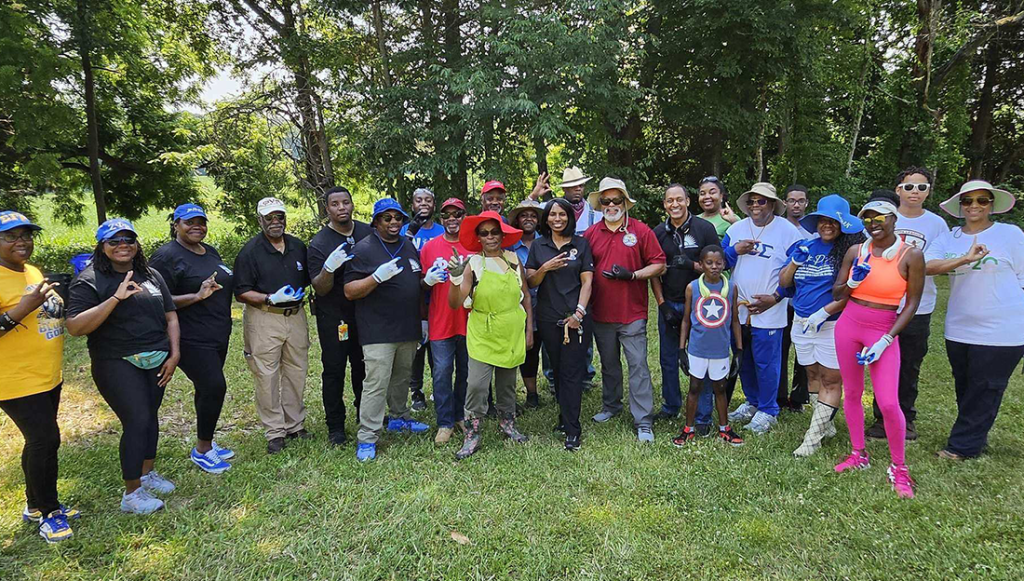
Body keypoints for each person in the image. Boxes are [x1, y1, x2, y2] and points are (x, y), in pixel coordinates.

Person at [67, 219, 180, 514]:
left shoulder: (151, 275)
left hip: (156, 359)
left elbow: (170, 315)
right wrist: (116, 297)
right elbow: (76, 327)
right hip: (115, 360)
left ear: (137, 244)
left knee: (150, 417)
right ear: (102, 247)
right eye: (114, 241)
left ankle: (146, 474)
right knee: (137, 420)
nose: (122, 246)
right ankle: (131, 494)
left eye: (128, 240)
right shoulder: (90, 280)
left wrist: (175, 354)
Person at [832, 190, 924, 499]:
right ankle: (859, 453)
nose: (874, 223)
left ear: (894, 219)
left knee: (887, 401)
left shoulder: (910, 255)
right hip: (849, 325)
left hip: (883, 329)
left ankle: (899, 467)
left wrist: (887, 339)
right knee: (853, 393)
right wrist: (853, 282)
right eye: (868, 219)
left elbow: (911, 304)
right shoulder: (856, 251)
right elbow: (837, 294)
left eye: (880, 217)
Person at [926, 180, 1024, 460]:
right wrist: (962, 259)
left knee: (986, 387)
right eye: (968, 201)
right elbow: (927, 266)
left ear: (991, 205)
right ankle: (975, 436)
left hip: (1004, 328)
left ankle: (962, 447)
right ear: (960, 206)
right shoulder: (949, 238)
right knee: (967, 386)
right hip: (959, 327)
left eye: (982, 200)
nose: (974, 206)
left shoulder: (1010, 235)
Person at [0, 211, 77, 542]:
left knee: (39, 440)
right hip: (14, 379)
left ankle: (35, 504)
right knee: (46, 439)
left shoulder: (30, 270)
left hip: (47, 375)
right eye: (11, 236)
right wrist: (25, 305)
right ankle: (49, 512)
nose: (22, 242)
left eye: (27, 235)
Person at [865, 167, 949, 442]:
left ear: (929, 192)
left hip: (918, 307)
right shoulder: (881, 216)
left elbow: (935, 264)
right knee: (881, 363)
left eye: (922, 187)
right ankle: (881, 420)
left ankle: (906, 420)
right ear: (898, 189)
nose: (915, 192)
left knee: (910, 365)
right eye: (909, 187)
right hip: (881, 305)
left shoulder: (936, 224)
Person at [150, 204, 235, 473]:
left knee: (206, 389)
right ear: (176, 224)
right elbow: (154, 299)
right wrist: (195, 296)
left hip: (217, 332)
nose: (196, 226)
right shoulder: (166, 256)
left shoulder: (208, 251)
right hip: (190, 337)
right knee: (214, 386)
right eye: (189, 222)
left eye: (201, 221)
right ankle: (203, 449)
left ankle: (207, 438)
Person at [344, 198, 429, 462]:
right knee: (376, 383)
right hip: (378, 329)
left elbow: (415, 282)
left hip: (408, 326)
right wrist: (376, 277)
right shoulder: (363, 249)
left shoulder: (408, 245)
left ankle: (400, 418)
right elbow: (349, 291)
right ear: (376, 222)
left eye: (398, 218)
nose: (394, 223)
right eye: (387, 218)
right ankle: (368, 436)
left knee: (402, 377)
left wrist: (428, 283)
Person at [779, 195, 864, 457]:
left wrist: (823, 313)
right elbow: (784, 283)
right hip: (801, 322)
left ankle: (812, 439)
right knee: (813, 374)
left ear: (843, 225)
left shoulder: (850, 251)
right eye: (823, 220)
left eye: (833, 221)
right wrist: (795, 261)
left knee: (830, 378)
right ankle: (825, 424)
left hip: (831, 324)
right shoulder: (806, 245)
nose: (827, 225)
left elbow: (850, 293)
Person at [584, 177, 666, 442]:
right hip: (601, 312)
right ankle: (611, 405)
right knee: (609, 364)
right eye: (605, 201)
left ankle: (643, 420)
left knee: (638, 365)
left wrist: (632, 275)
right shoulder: (591, 234)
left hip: (632, 312)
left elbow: (659, 264)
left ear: (625, 203)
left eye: (616, 200)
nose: (610, 205)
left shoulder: (641, 231)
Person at [448, 211, 533, 459]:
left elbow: (525, 295)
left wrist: (529, 329)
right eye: (484, 233)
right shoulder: (472, 264)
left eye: (494, 232)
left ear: (502, 234)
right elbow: (455, 303)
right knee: (476, 385)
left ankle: (508, 424)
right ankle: (472, 433)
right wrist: (455, 277)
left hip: (511, 329)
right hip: (483, 331)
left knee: (507, 384)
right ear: (478, 238)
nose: (490, 237)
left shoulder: (513, 259)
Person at [722, 183, 803, 434]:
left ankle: (769, 410)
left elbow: (798, 271)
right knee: (743, 357)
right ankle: (752, 401)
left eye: (762, 202)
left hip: (770, 307)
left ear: (773, 205)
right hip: (740, 307)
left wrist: (777, 297)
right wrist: (734, 250)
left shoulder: (787, 232)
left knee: (766, 361)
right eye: (752, 202)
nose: (756, 206)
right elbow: (718, 262)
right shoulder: (735, 229)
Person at [233, 197, 311, 455]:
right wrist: (269, 298)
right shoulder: (250, 252)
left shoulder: (298, 246)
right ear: (260, 220)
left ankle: (295, 424)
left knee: (297, 370)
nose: (275, 222)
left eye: (279, 216)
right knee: (266, 375)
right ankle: (275, 431)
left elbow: (310, 278)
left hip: (296, 315)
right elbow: (241, 292)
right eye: (269, 218)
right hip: (265, 315)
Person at [526, 198, 595, 450]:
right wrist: (545, 268)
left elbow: (587, 282)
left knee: (572, 372)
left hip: (575, 318)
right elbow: (531, 281)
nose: (557, 219)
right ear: (547, 219)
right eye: (553, 214)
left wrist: (579, 313)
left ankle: (572, 430)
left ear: (569, 217)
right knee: (557, 369)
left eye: (562, 214)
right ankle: (564, 417)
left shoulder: (581, 244)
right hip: (548, 317)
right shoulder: (538, 245)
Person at [650, 184, 719, 430]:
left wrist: (691, 265)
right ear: (665, 205)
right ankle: (670, 406)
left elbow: (716, 267)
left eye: (679, 199)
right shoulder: (658, 232)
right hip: (670, 302)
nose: (675, 205)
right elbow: (654, 272)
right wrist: (662, 305)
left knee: (701, 360)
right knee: (668, 359)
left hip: (702, 306)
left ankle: (702, 415)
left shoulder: (704, 229)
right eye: (670, 201)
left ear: (688, 201)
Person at [308, 186, 373, 446]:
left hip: (366, 313)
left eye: (346, 202)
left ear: (352, 204)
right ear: (328, 209)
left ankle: (364, 415)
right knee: (334, 370)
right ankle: (335, 426)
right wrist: (328, 268)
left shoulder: (367, 232)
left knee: (363, 367)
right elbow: (319, 287)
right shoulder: (319, 243)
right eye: (335, 204)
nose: (341, 208)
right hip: (334, 317)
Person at [671, 245, 745, 447]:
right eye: (709, 263)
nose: (714, 267)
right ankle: (688, 429)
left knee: (719, 388)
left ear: (724, 264)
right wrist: (681, 349)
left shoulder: (731, 288)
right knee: (694, 387)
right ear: (701, 264)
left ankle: (724, 428)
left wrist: (738, 350)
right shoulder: (692, 287)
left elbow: (735, 321)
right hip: (697, 349)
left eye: (719, 262)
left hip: (719, 349)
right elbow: (686, 320)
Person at [420, 198, 471, 445]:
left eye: (457, 214)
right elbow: (420, 286)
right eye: (447, 214)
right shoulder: (429, 247)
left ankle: (461, 415)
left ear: (464, 216)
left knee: (466, 371)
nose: (452, 219)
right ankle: (444, 422)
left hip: (470, 320)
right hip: (440, 320)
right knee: (441, 373)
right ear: (441, 218)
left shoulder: (474, 245)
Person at [401, 188, 444, 411]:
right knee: (416, 347)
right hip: (412, 297)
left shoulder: (442, 230)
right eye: (419, 200)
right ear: (413, 204)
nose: (424, 204)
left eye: (428, 200)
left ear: (434, 205)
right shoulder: (404, 231)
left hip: (437, 296)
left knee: (437, 346)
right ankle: (416, 391)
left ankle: (440, 388)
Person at [778, 185, 811, 412]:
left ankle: (798, 398)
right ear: (785, 203)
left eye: (800, 201)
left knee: (804, 351)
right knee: (780, 349)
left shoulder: (814, 230)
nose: (796, 205)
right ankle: (779, 396)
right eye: (791, 200)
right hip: (781, 300)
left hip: (806, 301)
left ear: (807, 203)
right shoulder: (777, 227)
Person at [508, 199, 544, 407]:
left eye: (533, 215)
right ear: (517, 220)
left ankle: (557, 387)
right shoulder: (509, 246)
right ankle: (531, 394)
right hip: (519, 303)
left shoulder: (546, 241)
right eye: (524, 215)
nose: (528, 219)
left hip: (547, 301)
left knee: (545, 345)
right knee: (526, 349)